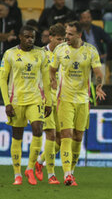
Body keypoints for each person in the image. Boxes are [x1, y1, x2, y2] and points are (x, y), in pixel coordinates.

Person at [50, 21, 106, 186]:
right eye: (66, 33)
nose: (66, 37)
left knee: (78, 137)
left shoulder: (90, 51)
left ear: (79, 35)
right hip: (65, 99)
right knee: (66, 136)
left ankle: (71, 171)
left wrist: (100, 85)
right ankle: (67, 174)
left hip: (83, 100)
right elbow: (52, 69)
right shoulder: (60, 49)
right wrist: (53, 80)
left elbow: (98, 72)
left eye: (70, 34)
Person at [0, 25, 52, 185]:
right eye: (27, 36)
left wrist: (48, 101)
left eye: (33, 37)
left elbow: (46, 79)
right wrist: (6, 103)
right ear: (20, 37)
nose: (30, 39)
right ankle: (17, 174)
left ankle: (30, 168)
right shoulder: (10, 54)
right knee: (17, 136)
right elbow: (2, 79)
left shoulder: (41, 54)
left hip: (35, 99)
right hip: (16, 101)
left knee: (38, 129)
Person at [34, 24, 66, 185]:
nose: (61, 42)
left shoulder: (65, 54)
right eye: (59, 39)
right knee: (51, 136)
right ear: (51, 37)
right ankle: (51, 174)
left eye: (64, 39)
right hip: (45, 101)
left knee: (61, 139)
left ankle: (39, 161)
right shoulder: (40, 54)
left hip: (61, 100)